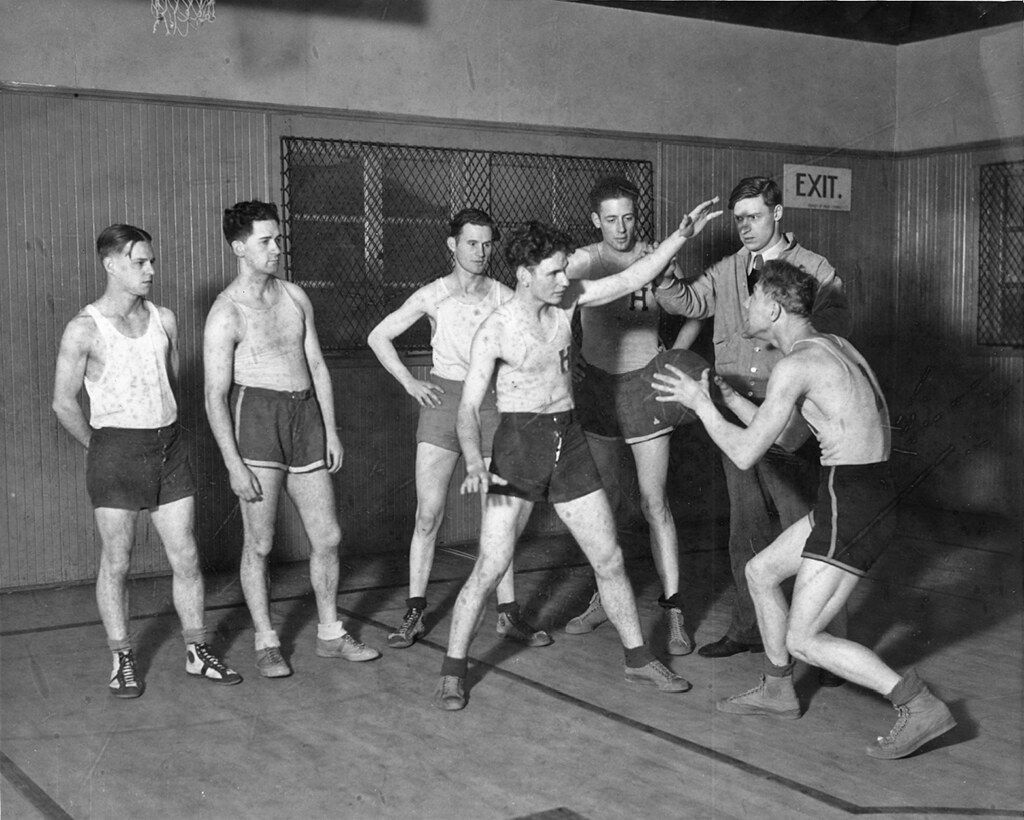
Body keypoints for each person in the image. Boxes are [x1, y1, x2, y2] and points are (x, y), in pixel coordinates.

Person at [653, 260, 956, 759]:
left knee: (805, 639)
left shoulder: (795, 365)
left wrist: (700, 404)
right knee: (761, 571)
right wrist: (729, 400)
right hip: (857, 491)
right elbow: (791, 438)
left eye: (750, 299)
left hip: (851, 500)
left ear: (771, 306)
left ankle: (917, 704)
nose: (745, 307)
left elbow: (747, 453)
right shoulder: (832, 347)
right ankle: (777, 689)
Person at [434, 196, 722, 711]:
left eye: (564, 269)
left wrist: (682, 236)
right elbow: (468, 406)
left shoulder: (569, 299)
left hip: (569, 446)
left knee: (609, 557)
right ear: (524, 275)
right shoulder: (496, 329)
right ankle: (453, 669)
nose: (563, 278)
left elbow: (633, 278)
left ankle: (637, 658)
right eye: (551, 272)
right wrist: (475, 461)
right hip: (516, 454)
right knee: (492, 562)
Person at [657, 177, 851, 672]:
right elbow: (686, 302)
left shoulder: (816, 270)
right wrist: (667, 259)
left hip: (793, 416)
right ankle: (748, 628)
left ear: (778, 213)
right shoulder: (727, 270)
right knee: (745, 525)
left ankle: (825, 642)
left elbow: (832, 336)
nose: (745, 226)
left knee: (804, 526)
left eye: (754, 216)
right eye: (738, 217)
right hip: (736, 408)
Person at [52, 224, 241, 698]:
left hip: (169, 447)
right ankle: (121, 658)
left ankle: (197, 650)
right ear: (111, 264)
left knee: (187, 555)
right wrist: (99, 447)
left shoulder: (165, 319)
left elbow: (170, 382)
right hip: (115, 450)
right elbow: (63, 402)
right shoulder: (83, 328)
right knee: (117, 560)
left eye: (151, 260)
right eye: (140, 262)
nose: (151, 270)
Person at [204, 200, 379, 679]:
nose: (277, 249)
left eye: (277, 239)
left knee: (328, 535)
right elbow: (214, 396)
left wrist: (330, 429)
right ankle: (266, 641)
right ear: (240, 248)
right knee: (259, 543)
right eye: (266, 241)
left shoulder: (295, 297)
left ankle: (329, 633)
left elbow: (318, 365)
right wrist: (234, 464)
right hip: (258, 418)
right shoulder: (226, 313)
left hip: (305, 418)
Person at [368, 208, 548, 650]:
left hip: (489, 405)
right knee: (428, 515)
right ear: (452, 245)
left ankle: (508, 614)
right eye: (472, 243)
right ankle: (414, 611)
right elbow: (378, 336)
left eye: (487, 244)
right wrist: (411, 383)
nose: (481, 252)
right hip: (443, 403)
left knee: (500, 517)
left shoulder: (505, 296)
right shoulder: (433, 295)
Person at [563, 176, 705, 656]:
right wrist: (571, 352)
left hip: (644, 386)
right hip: (598, 387)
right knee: (601, 506)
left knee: (653, 502)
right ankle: (604, 598)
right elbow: (553, 309)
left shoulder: (658, 254)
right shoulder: (583, 260)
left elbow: (695, 308)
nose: (621, 228)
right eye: (611, 219)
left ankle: (675, 609)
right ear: (594, 220)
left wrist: (674, 355)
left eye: (628, 217)